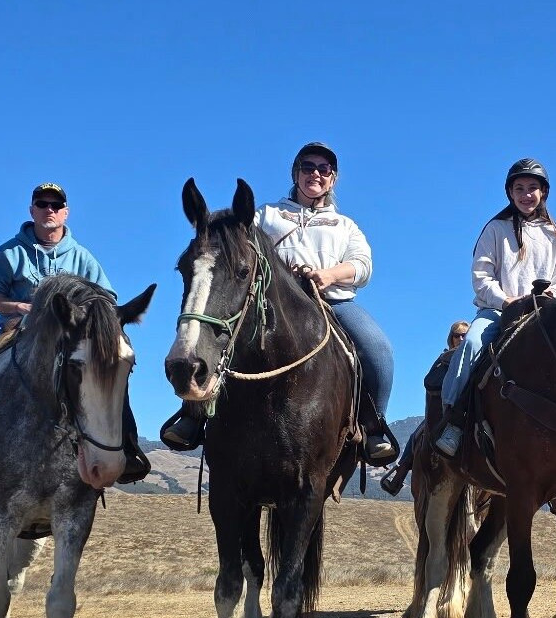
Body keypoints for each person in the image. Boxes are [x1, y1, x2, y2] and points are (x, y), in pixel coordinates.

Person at [163, 142, 396, 463]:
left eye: (323, 169)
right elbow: (239, 247)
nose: (315, 173)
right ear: (295, 173)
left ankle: (373, 427)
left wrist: (327, 275)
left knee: (378, 347)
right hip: (272, 304)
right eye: (307, 167)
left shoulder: (345, 226)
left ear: (333, 179)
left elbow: (363, 266)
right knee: (220, 336)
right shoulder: (267, 215)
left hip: (331, 302)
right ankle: (194, 412)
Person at [0, 182, 149, 483]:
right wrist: (17, 306)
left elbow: (107, 300)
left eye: (56, 205)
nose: (49, 209)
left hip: (70, 334)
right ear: (31, 210)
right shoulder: (9, 252)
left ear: (66, 214)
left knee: (114, 366)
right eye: (42, 204)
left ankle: (128, 446)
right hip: (15, 328)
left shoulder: (83, 257)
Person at [434, 158, 556, 457]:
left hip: (542, 316)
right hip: (498, 311)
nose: (526, 194)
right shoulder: (495, 229)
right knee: (471, 344)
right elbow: (481, 276)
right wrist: (506, 301)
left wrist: (547, 298)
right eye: (519, 188)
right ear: (509, 192)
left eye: (532, 188)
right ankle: (453, 420)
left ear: (544, 192)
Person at [380, 320, 469, 495]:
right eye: (456, 335)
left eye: (464, 335)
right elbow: (430, 382)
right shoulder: (443, 358)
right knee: (415, 437)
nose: (460, 338)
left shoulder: (473, 359)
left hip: (467, 412)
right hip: (442, 413)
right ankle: (400, 474)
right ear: (451, 338)